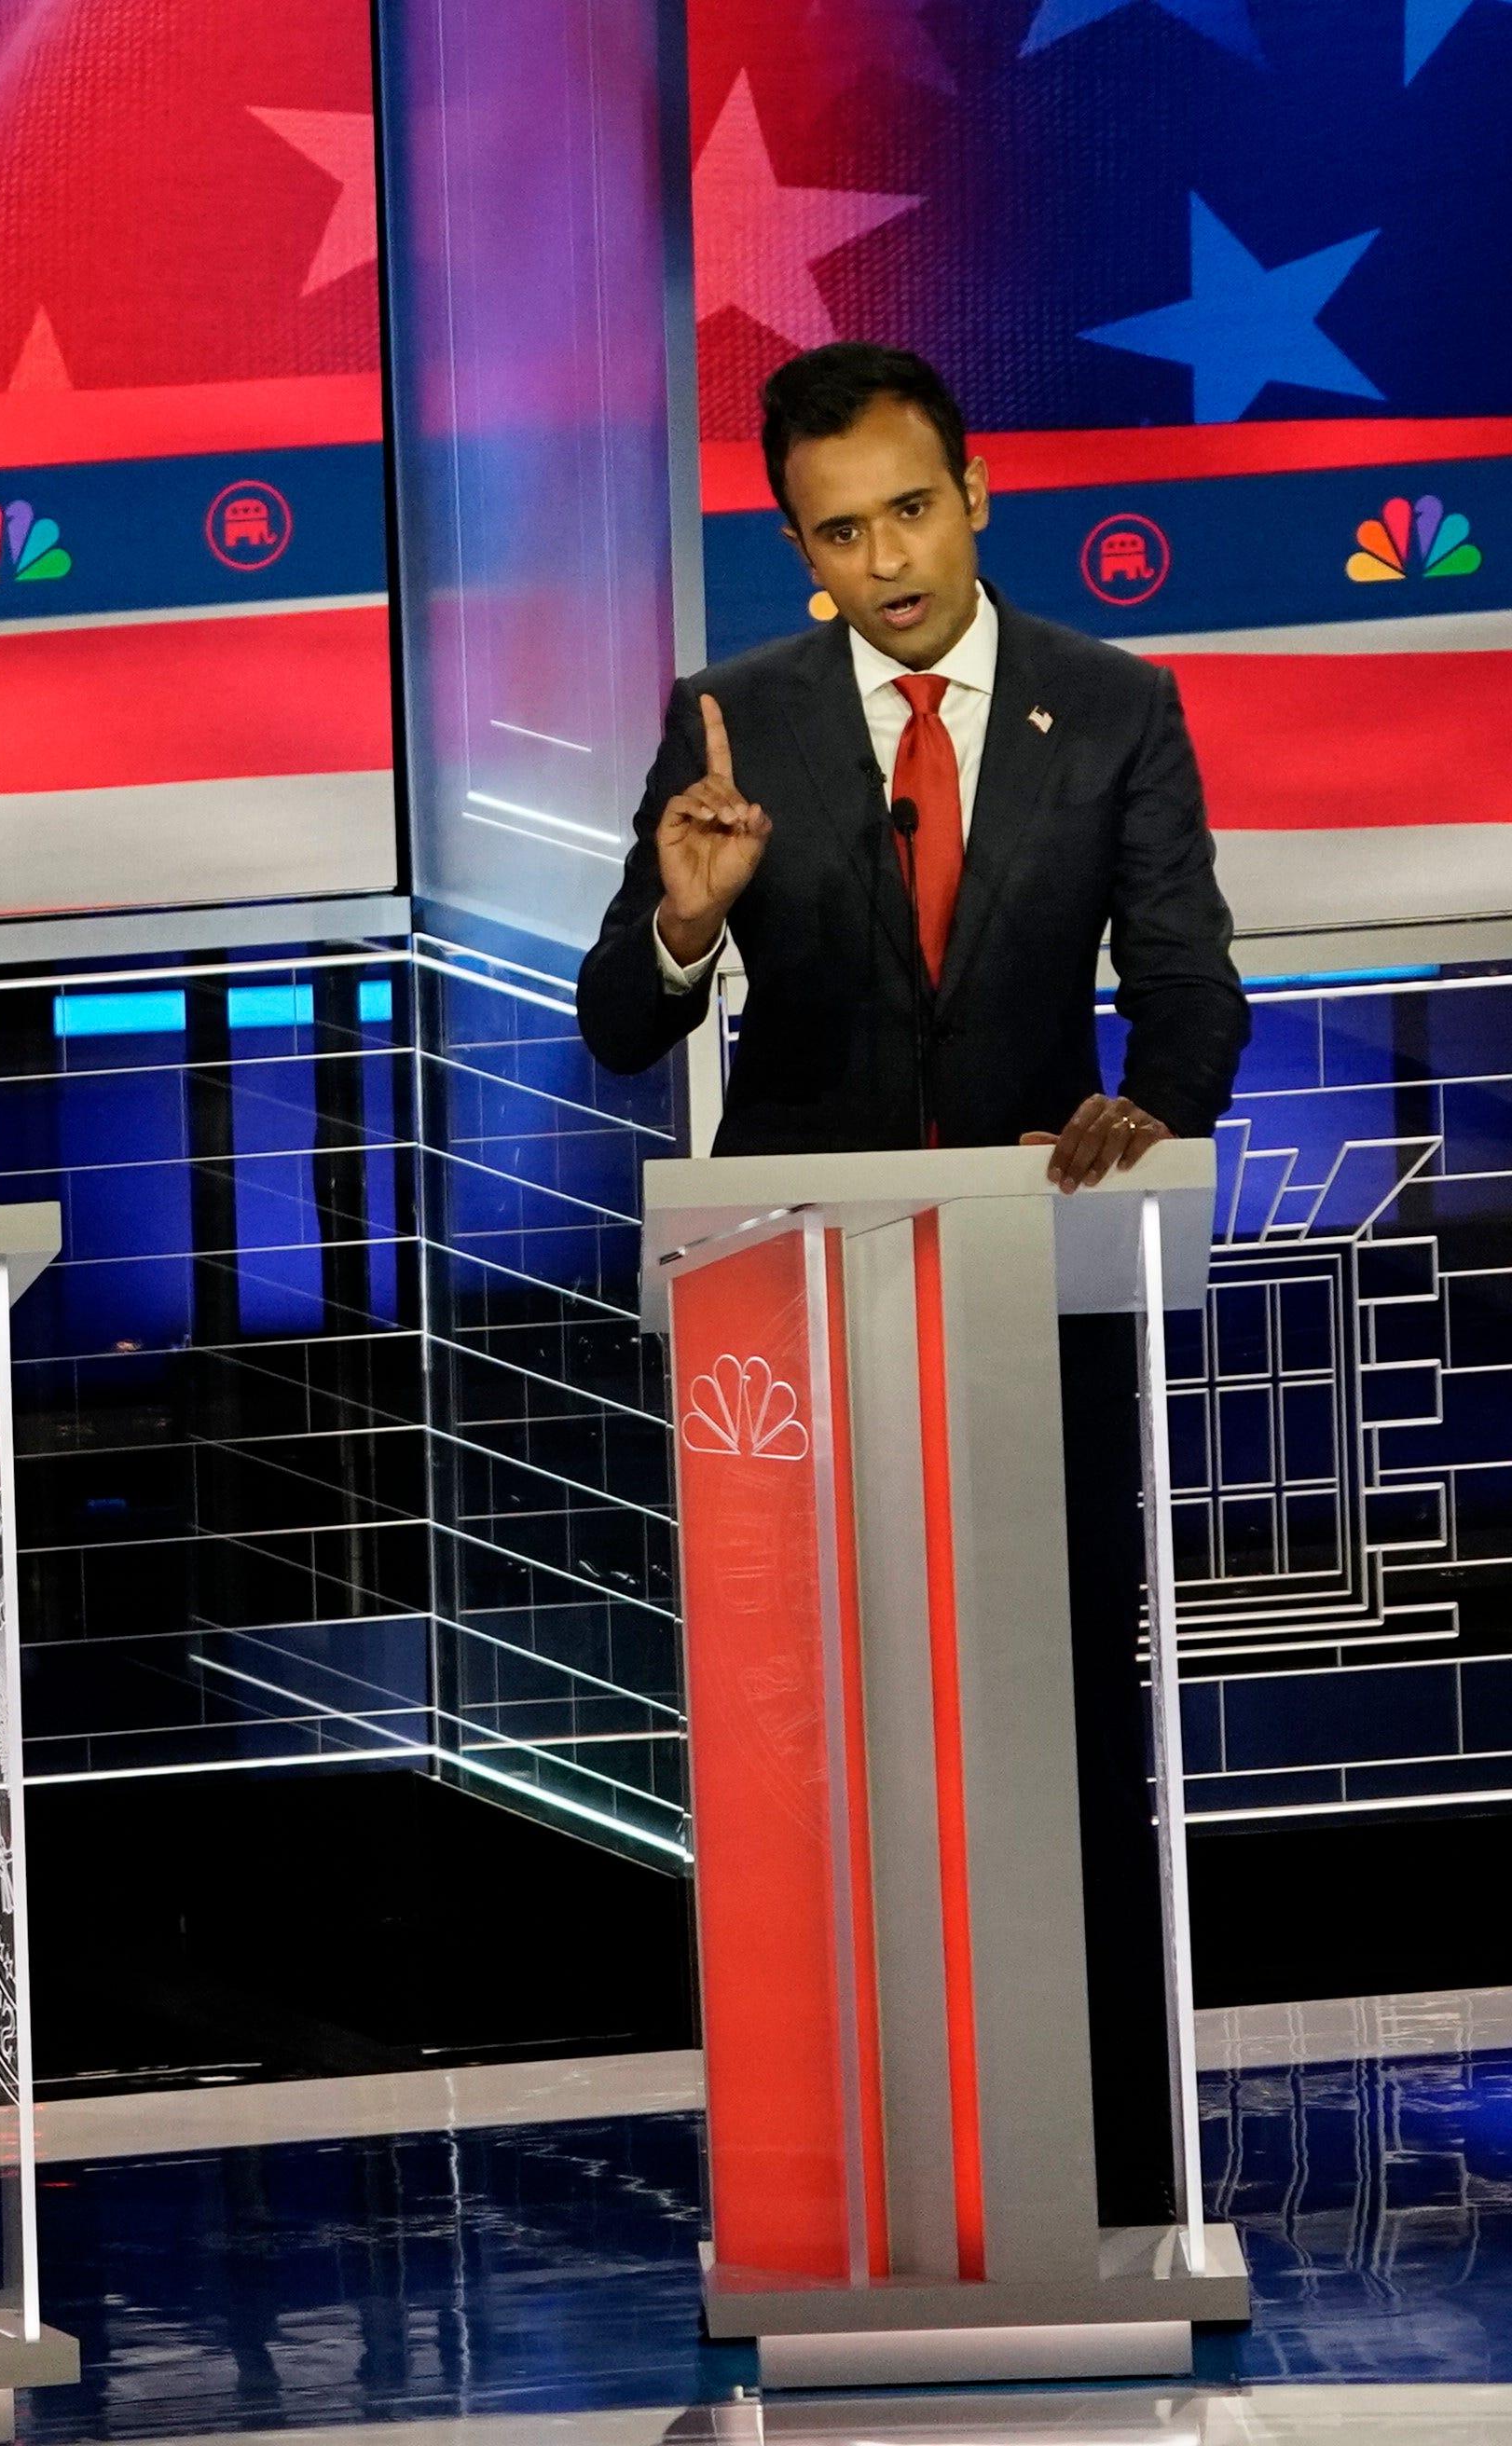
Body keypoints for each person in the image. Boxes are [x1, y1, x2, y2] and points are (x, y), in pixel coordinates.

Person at [578, 343, 1250, 2233]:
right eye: (840, 530)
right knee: (816, 1751)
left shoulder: (1111, 706)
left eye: (909, 511)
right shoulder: (736, 723)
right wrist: (684, 919)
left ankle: (1111, 2179)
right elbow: (622, 1021)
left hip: (1047, 1286)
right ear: (801, 548)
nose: (885, 559)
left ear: (974, 498)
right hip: (801, 1317)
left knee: (1072, 1733)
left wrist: (1155, 1109)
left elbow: (1191, 978)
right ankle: (824, 2179)